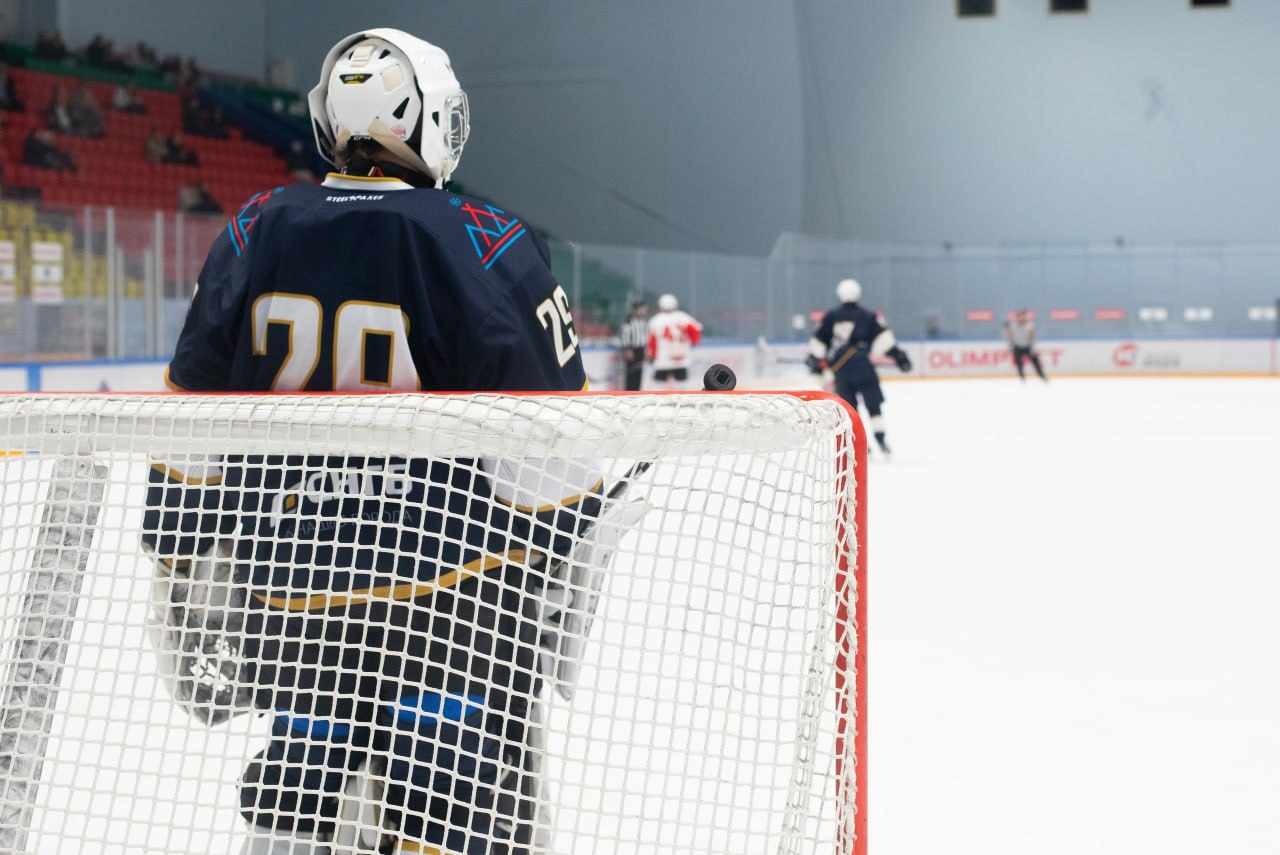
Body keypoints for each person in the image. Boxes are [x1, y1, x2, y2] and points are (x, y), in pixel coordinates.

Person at [139, 27, 603, 855]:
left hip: (292, 600)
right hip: (452, 602)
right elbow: (548, 463)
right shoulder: (484, 239)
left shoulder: (253, 228)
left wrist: (177, 563)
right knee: (445, 791)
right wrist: (567, 553)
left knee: (301, 784)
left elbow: (190, 429)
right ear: (426, 118)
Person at [808, 277, 912, 457]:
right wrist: (900, 358)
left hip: (841, 372)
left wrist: (815, 362)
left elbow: (818, 345)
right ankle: (880, 440)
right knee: (874, 406)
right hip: (864, 368)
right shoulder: (869, 316)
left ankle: (859, 445)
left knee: (850, 409)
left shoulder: (831, 317)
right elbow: (885, 342)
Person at [645, 293, 702, 390]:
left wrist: (652, 355)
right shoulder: (683, 317)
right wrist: (693, 342)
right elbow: (696, 329)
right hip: (681, 357)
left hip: (663, 358)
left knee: (659, 386)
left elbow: (652, 341)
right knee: (681, 386)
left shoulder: (655, 320)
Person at [1003, 308, 1048, 382]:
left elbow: (1032, 337)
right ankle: (1022, 378)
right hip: (1017, 347)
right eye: (1019, 316)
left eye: (1022, 316)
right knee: (1018, 362)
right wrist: (1010, 347)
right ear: (1016, 317)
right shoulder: (1012, 325)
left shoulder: (1029, 325)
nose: (1021, 318)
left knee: (1035, 361)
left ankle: (1042, 376)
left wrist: (1032, 348)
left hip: (1028, 347)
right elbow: (1010, 337)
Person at [617, 300, 648, 390]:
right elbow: (625, 336)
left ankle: (637, 391)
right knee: (631, 373)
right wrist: (627, 349)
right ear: (635, 310)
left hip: (641, 349)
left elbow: (644, 336)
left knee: (639, 373)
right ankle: (629, 392)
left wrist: (646, 349)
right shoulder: (629, 322)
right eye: (640, 309)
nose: (642, 311)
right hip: (632, 349)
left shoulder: (643, 321)